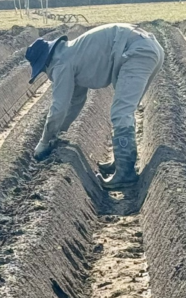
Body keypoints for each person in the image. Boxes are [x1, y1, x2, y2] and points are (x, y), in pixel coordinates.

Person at [25, 23, 165, 188]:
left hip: (137, 52)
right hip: (148, 46)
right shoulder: (71, 54)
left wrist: (45, 141)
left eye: (42, 70)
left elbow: (59, 107)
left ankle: (125, 173)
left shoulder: (60, 63)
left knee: (121, 111)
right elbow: (76, 101)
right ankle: (122, 161)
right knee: (126, 110)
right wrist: (58, 132)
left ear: (45, 62)